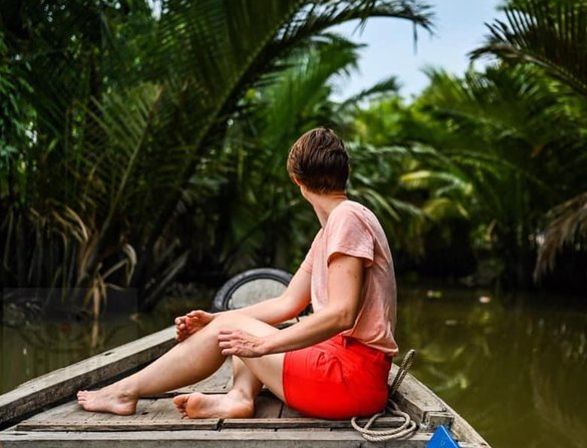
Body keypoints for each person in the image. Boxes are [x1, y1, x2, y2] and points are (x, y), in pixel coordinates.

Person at [77, 127, 398, 420]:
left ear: (297, 180)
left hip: (349, 379)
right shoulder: (331, 229)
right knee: (241, 326)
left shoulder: (347, 217)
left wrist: (260, 346)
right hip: (341, 371)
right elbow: (286, 303)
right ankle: (239, 397)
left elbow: (342, 314)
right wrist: (215, 319)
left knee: (242, 331)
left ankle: (125, 391)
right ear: (344, 173)